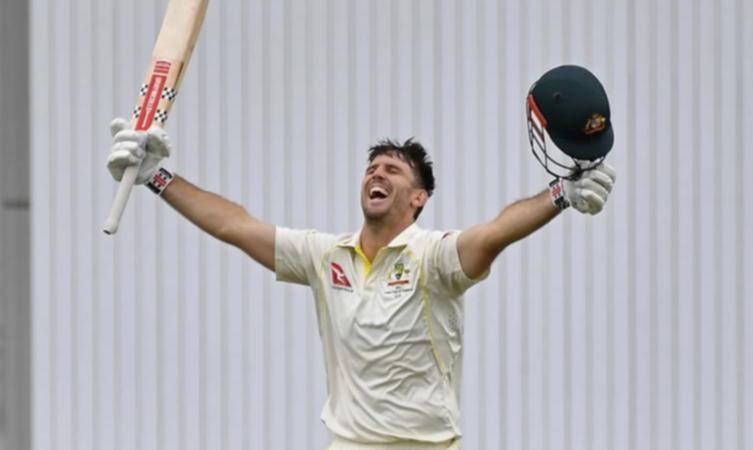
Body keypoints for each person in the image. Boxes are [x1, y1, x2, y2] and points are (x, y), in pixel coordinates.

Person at [106, 65, 616, 450]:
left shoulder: (432, 257)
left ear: (419, 198)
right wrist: (157, 177)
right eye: (373, 168)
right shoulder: (325, 255)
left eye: (394, 170)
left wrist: (559, 196)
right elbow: (234, 224)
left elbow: (494, 234)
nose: (378, 174)